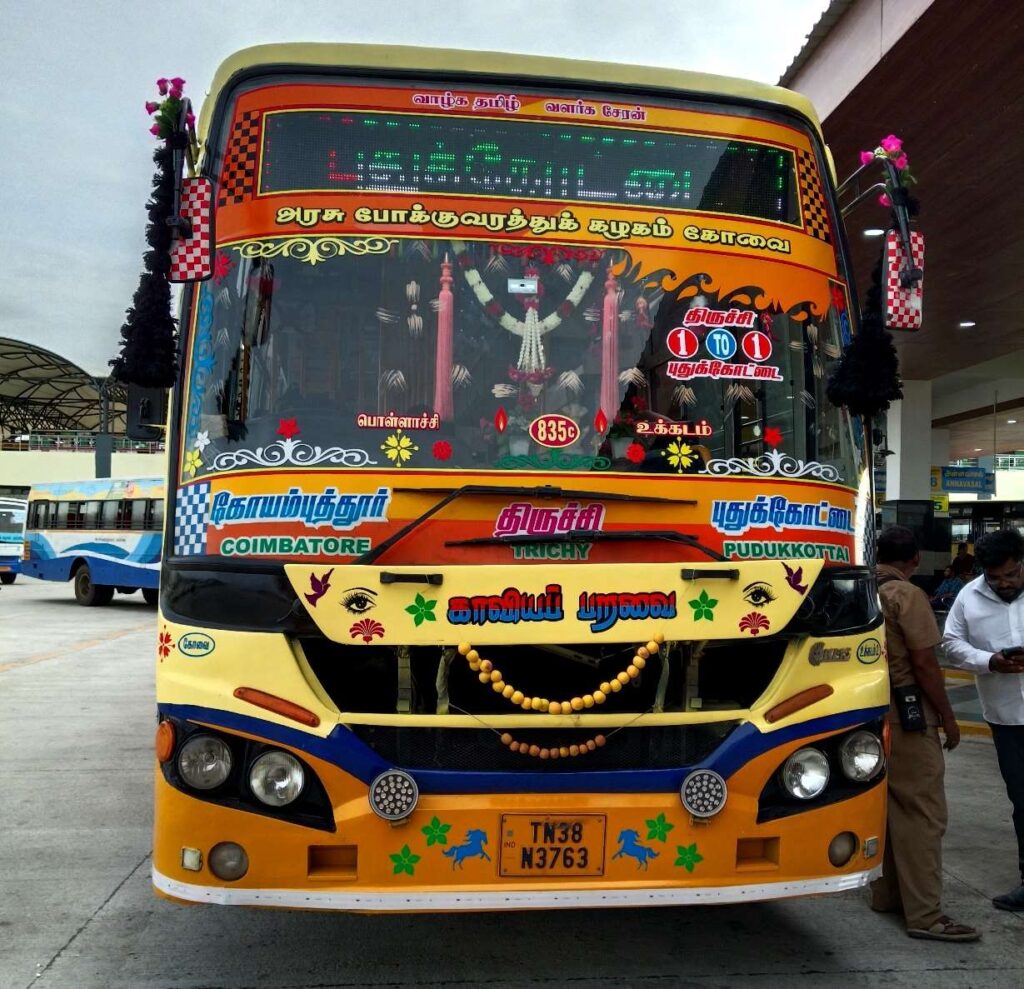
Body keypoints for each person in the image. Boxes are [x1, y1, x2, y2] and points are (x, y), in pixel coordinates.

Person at [870, 525, 980, 941]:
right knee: (923, 814)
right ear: (914, 560)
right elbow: (925, 665)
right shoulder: (906, 596)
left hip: (867, 716)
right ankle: (927, 915)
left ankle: (888, 895)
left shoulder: (859, 588)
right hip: (908, 715)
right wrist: (948, 719)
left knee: (889, 808)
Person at [941, 528, 1024, 912]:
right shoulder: (968, 596)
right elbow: (951, 643)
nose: (1004, 584)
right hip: (1006, 717)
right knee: (1021, 800)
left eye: (1012, 575)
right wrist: (990, 661)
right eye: (996, 578)